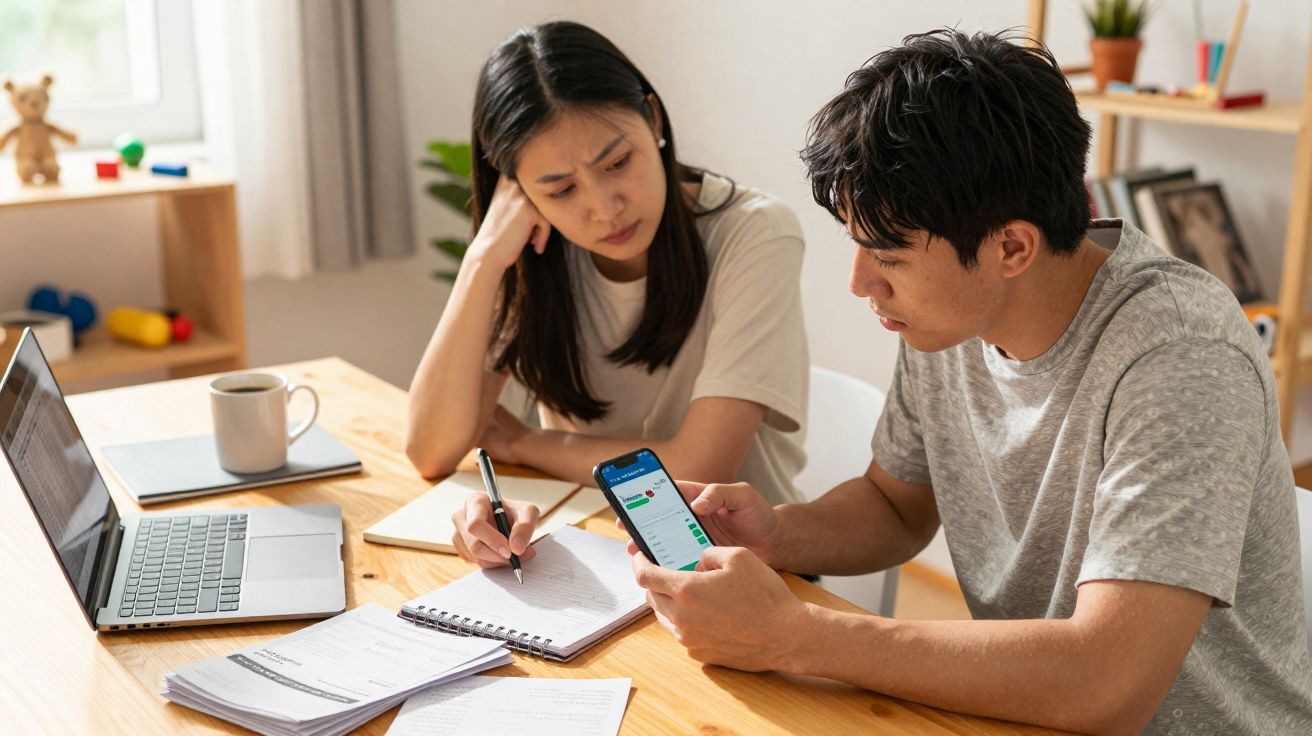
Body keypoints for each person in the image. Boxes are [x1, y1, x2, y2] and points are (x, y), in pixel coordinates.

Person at [626, 29, 1312, 735]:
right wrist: (780, 534)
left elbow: (1109, 682)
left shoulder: (1181, 355)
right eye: (858, 245)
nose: (861, 283)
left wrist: (795, 635)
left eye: (888, 256)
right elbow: (895, 508)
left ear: (1011, 246)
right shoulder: (950, 317)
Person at [407, 21, 809, 569]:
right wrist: (482, 259)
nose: (604, 208)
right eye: (560, 189)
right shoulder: (530, 249)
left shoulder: (756, 234)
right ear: (518, 190)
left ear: (653, 118)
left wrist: (526, 445)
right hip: (595, 554)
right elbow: (430, 449)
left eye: (617, 163)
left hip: (743, 567)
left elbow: (696, 468)